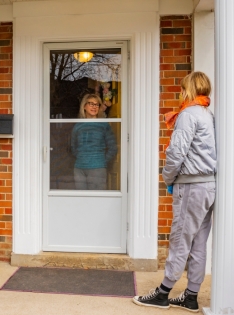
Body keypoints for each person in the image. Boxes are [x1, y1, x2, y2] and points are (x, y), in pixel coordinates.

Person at [133, 71, 216, 312]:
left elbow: (176, 153)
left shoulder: (188, 115)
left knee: (180, 240)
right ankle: (190, 297)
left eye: (182, 88)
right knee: (198, 243)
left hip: (191, 185)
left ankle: (163, 293)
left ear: (188, 89)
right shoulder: (207, 114)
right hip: (208, 185)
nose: (180, 92)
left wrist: (168, 177)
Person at [71, 93, 117, 190]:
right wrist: (82, 157)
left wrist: (101, 161)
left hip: (97, 168)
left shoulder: (104, 125)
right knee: (81, 200)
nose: (94, 107)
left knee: (97, 200)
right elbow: (73, 147)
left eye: (97, 104)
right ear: (84, 106)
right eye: (91, 103)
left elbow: (113, 147)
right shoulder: (78, 126)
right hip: (79, 168)